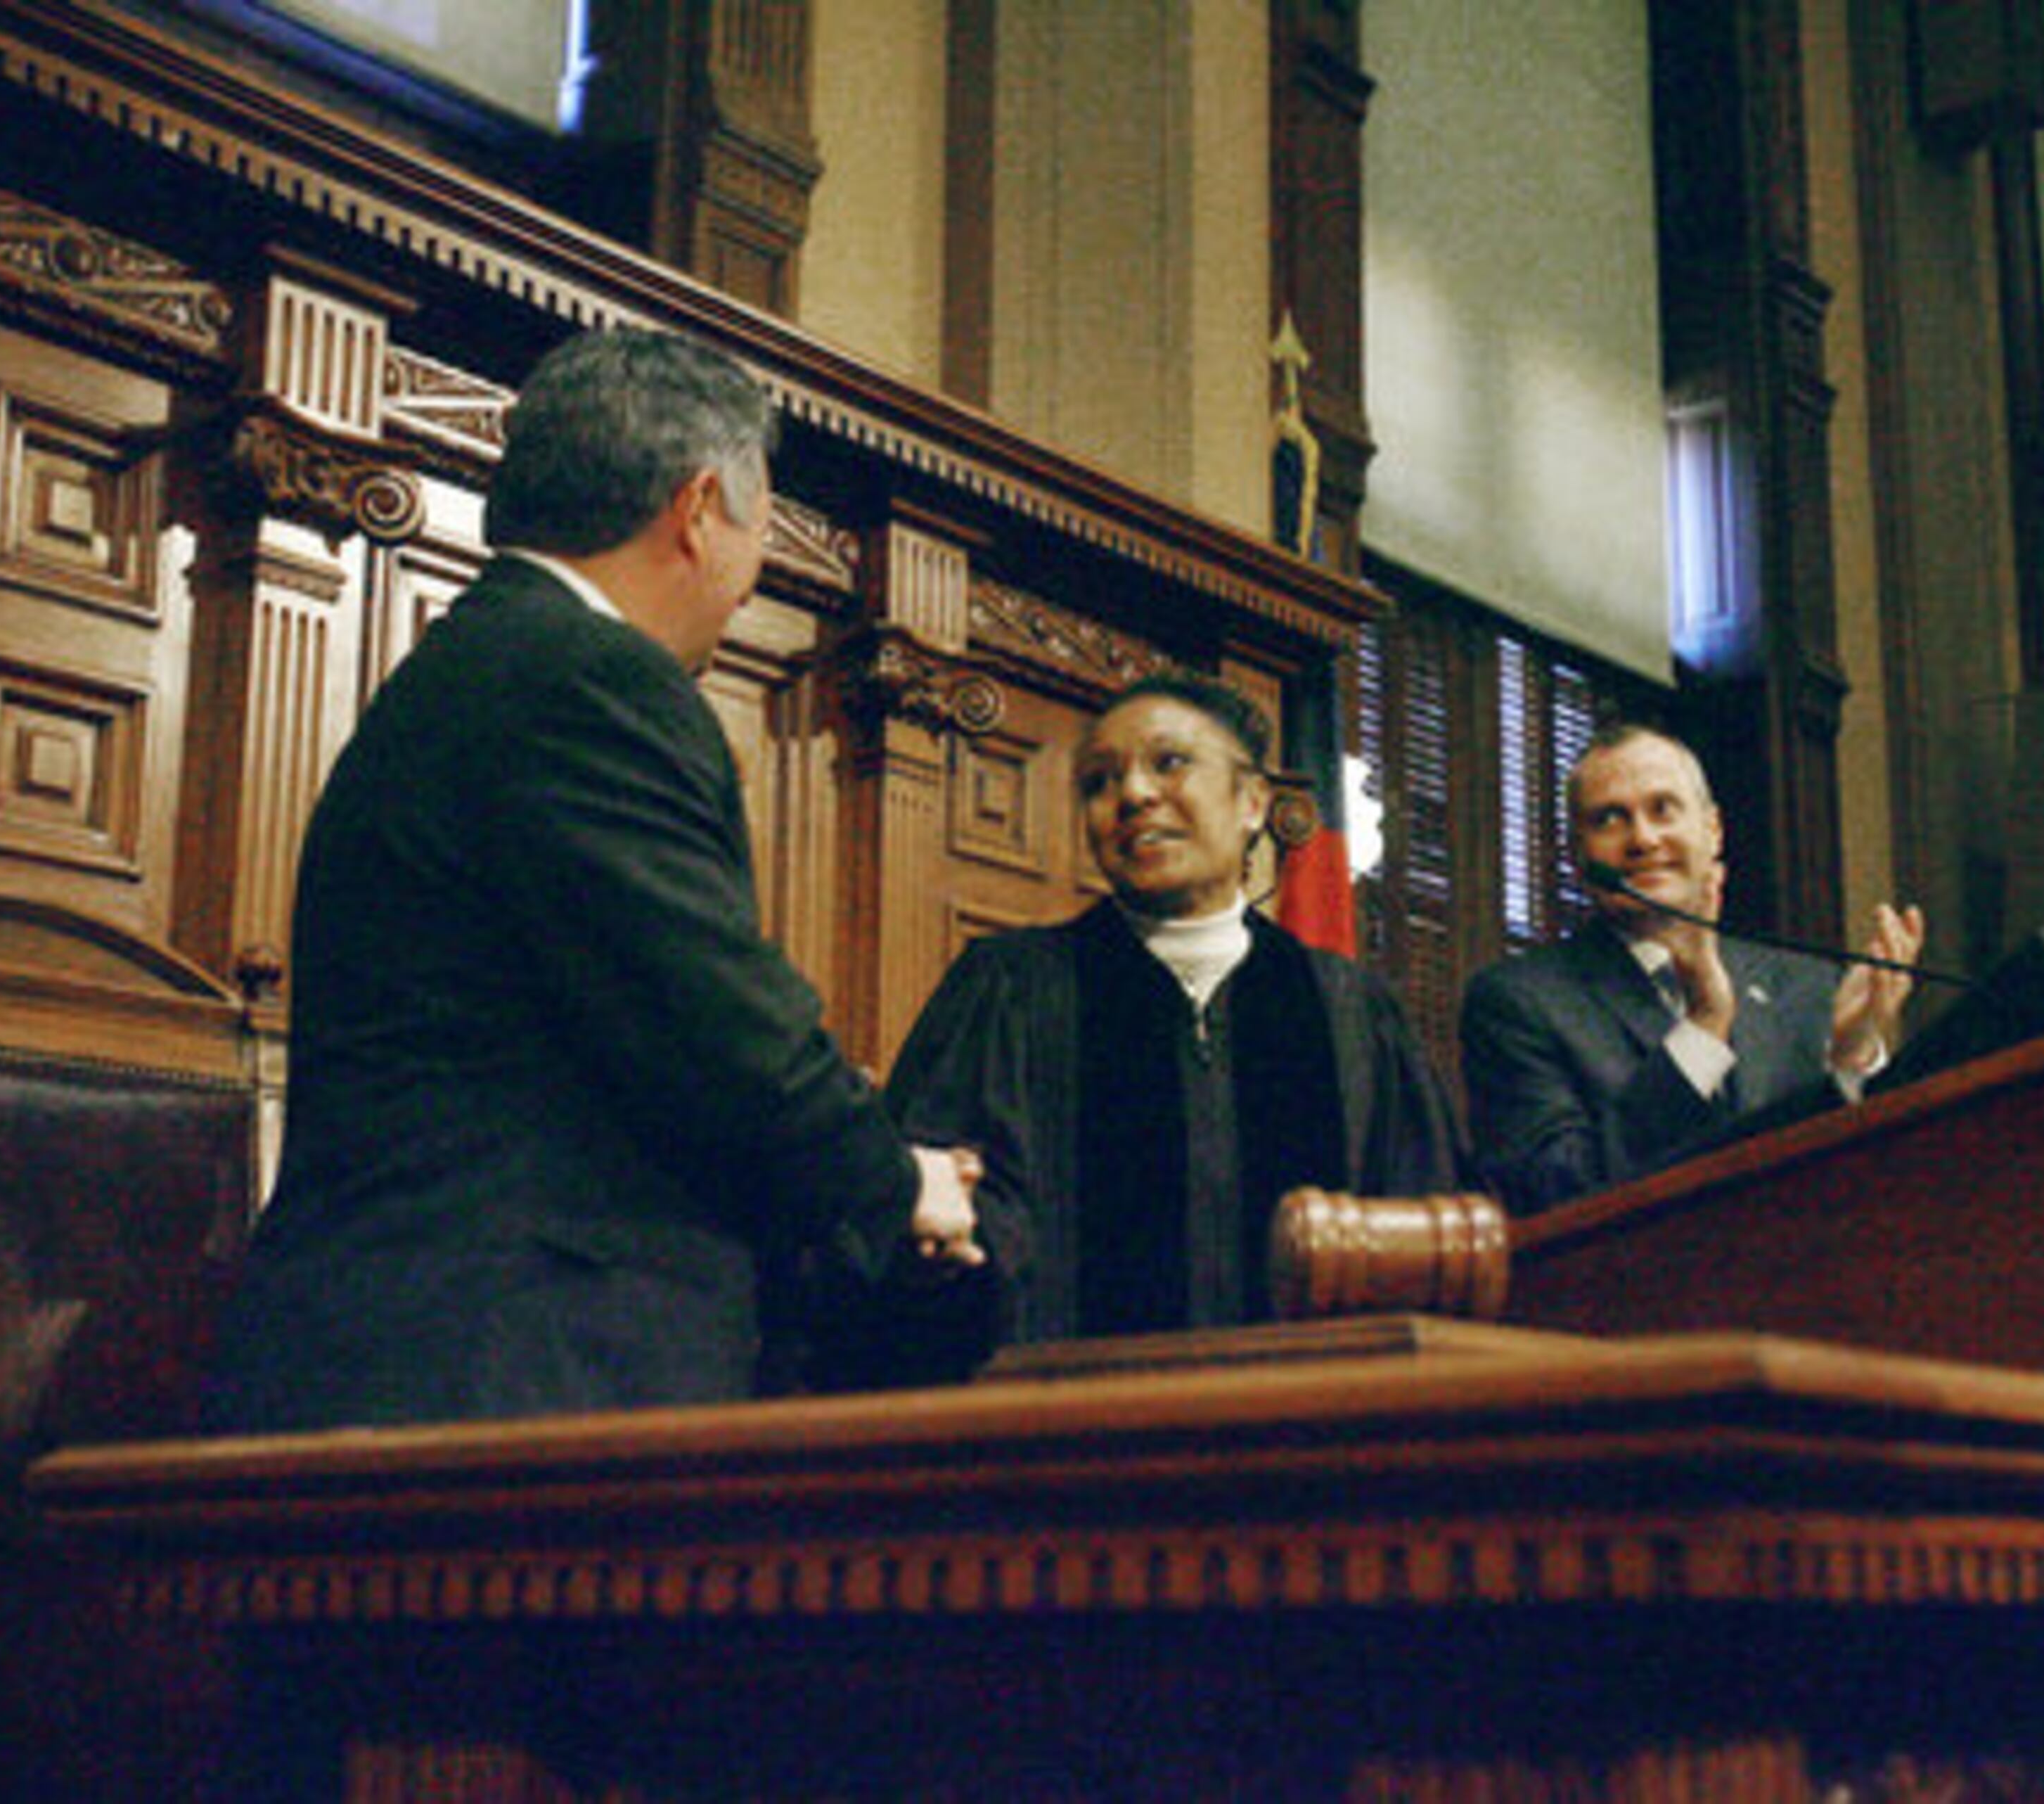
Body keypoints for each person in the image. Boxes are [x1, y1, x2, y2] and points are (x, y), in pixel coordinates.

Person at [202, 328, 981, 1432]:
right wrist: (900, 1183)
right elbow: (715, 1021)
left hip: (418, 1359)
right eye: (761, 532)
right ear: (698, 508)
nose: (751, 580)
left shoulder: (482, 661)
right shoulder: (592, 678)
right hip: (501, 1375)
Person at [838, 672, 1464, 1366]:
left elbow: (1425, 1234)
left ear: (1252, 802)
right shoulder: (1011, 988)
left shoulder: (1351, 1010)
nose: (1132, 794)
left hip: (1315, 1415)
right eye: (1100, 781)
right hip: (1070, 1416)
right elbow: (938, 1223)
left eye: (1169, 762)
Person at [1459, 723, 1925, 1215]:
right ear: (1577, 857)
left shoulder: (1806, 987)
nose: (1643, 839)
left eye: (1663, 809)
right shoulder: (1518, 1002)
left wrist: (1852, 1061)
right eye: (1609, 819)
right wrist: (1703, 1028)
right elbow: (1555, 1195)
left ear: (1713, 830)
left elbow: (1878, 1183)